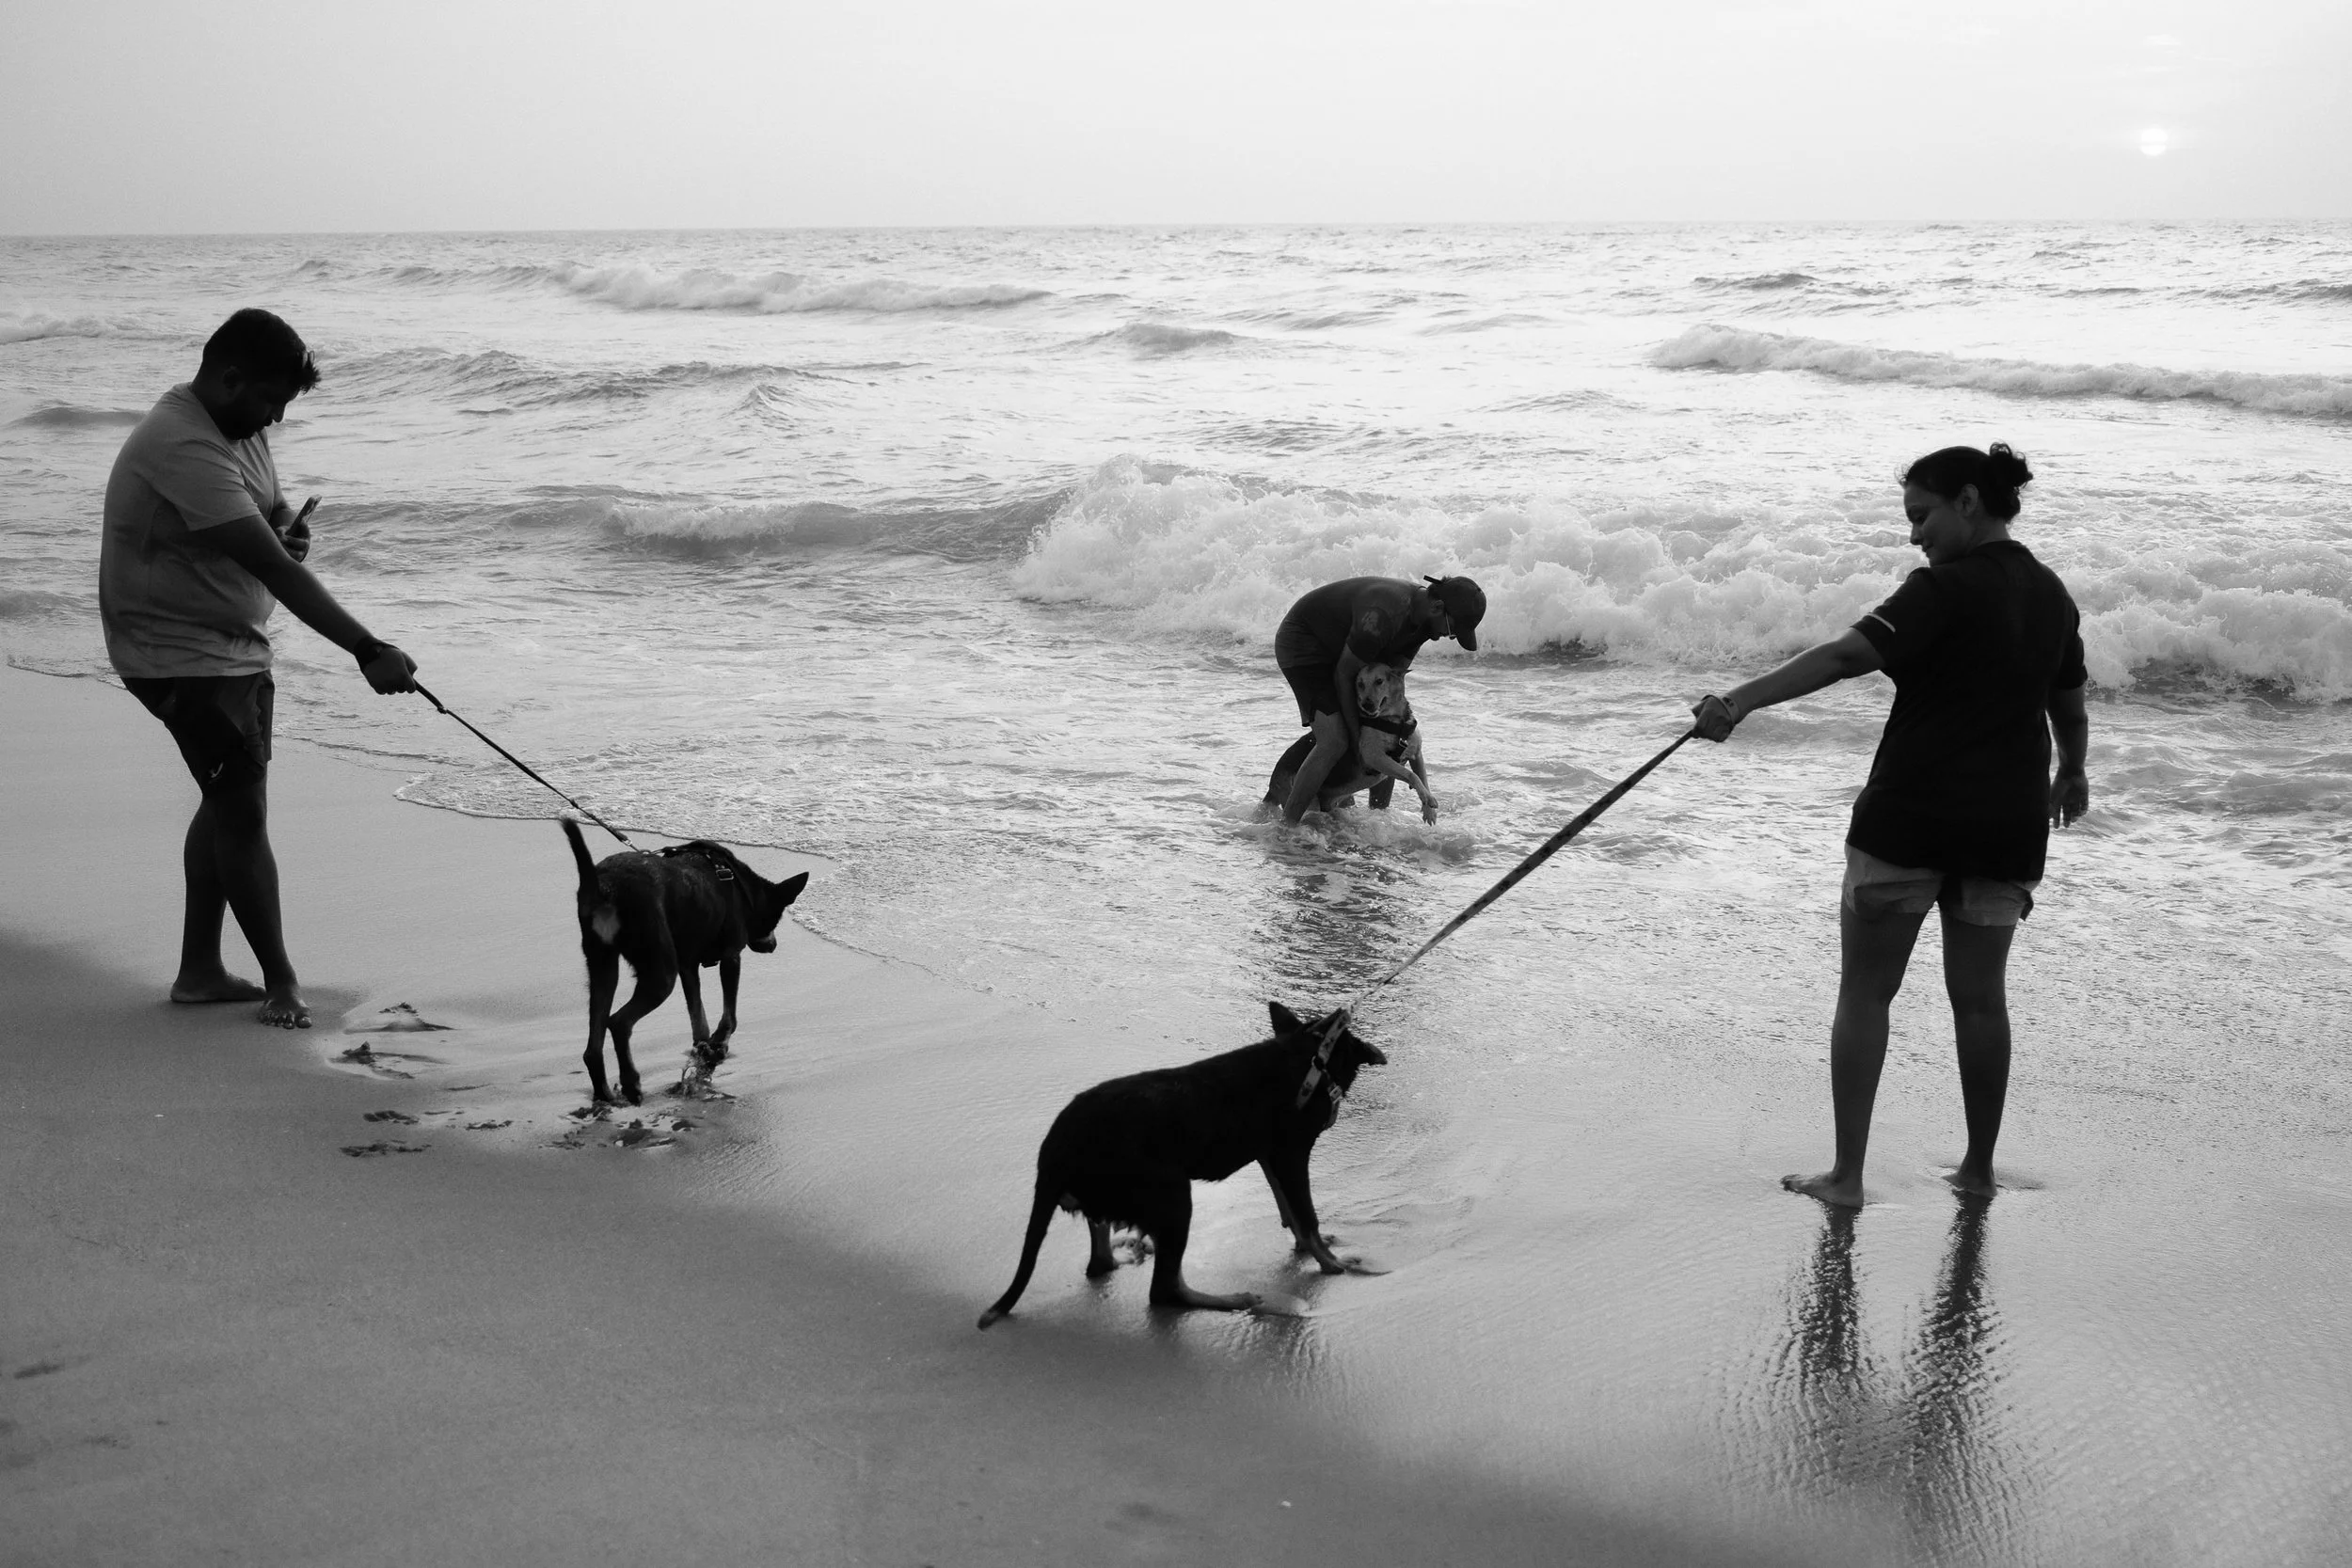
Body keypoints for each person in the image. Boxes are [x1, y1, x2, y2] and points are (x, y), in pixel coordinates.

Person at [1690, 443, 2089, 1206]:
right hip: (2005, 828)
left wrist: (1738, 701)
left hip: (1909, 816)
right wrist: (2072, 770)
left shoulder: (1938, 590)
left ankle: (1847, 1177)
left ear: (1968, 500)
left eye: (1922, 515)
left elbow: (1847, 655)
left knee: (1866, 995)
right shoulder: (2052, 596)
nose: (1915, 537)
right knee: (1981, 1000)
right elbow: (2067, 702)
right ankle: (1977, 1171)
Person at [99, 309, 419, 1029]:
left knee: (225, 801)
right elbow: (272, 566)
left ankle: (200, 970)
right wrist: (368, 648)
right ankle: (281, 982)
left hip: (231, 646)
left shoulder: (240, 429)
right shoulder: (179, 442)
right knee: (242, 810)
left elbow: (267, 524)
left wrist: (284, 526)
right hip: (177, 655)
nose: (275, 417)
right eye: (270, 400)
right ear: (229, 376)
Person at [1274, 575, 1486, 823]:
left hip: (1344, 647)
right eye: (1451, 631)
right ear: (1437, 607)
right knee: (1335, 740)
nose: (1443, 637)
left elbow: (1395, 686)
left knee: (1392, 734)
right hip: (1304, 644)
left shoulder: (1424, 622)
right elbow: (1345, 674)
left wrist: (1401, 732)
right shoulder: (1383, 616)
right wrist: (1358, 741)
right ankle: (1287, 827)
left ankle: (1377, 817)